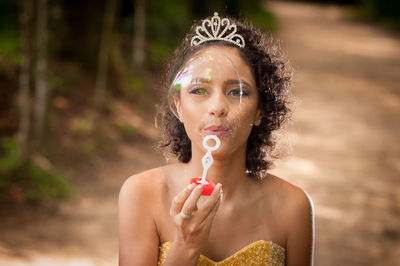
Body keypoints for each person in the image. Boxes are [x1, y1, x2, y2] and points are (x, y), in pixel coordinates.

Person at [119, 12, 314, 266]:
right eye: (199, 90)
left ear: (259, 110)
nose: (218, 107)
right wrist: (186, 245)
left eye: (237, 91)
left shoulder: (293, 208)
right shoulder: (142, 194)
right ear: (178, 105)